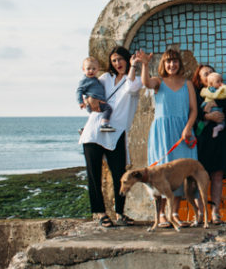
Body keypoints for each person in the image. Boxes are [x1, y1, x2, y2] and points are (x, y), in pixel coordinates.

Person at [79, 46, 142, 227]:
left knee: (120, 175)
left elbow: (131, 88)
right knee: (94, 175)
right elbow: (89, 90)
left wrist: (134, 66)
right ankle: (99, 213)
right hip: (94, 131)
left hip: (116, 132)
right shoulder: (105, 78)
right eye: (114, 60)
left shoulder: (135, 80)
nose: (117, 63)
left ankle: (120, 213)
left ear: (127, 59)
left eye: (120, 59)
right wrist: (87, 101)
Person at [139, 47, 201, 226]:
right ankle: (160, 215)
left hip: (183, 132)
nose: (171, 64)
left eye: (174, 61)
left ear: (179, 64)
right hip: (162, 133)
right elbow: (146, 83)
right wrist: (145, 64)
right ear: (163, 64)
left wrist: (188, 127)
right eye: (168, 61)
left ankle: (174, 213)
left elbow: (193, 110)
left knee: (180, 173)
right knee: (161, 173)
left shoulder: (188, 84)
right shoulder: (159, 81)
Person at [192, 64, 226, 223]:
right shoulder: (196, 93)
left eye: (212, 72)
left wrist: (214, 103)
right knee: (200, 177)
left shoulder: (224, 92)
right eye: (205, 73)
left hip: (220, 139)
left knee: (217, 175)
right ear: (200, 78)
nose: (210, 75)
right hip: (202, 140)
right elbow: (192, 111)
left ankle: (215, 212)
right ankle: (200, 213)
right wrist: (207, 117)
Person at [77, 57, 115, 132]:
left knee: (95, 116)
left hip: (97, 102)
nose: (91, 71)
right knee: (108, 109)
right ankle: (104, 124)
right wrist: (81, 102)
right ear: (83, 69)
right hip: (93, 103)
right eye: (88, 69)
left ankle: (86, 128)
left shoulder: (95, 79)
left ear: (98, 70)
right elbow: (79, 90)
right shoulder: (85, 80)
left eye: (94, 69)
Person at [198, 72, 226, 137]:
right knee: (220, 123)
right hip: (206, 135)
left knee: (204, 123)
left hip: (220, 134)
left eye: (221, 81)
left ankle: (200, 130)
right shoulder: (215, 90)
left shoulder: (207, 90)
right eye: (206, 74)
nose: (221, 83)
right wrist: (225, 87)